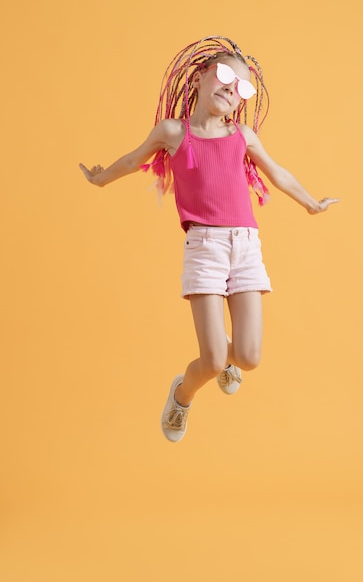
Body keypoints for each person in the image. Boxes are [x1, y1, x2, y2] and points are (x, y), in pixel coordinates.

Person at [80, 35, 339, 443]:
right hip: (204, 248)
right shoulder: (173, 131)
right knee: (214, 358)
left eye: (241, 88)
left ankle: (227, 361)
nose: (231, 89)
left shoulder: (243, 136)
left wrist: (311, 203)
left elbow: (277, 172)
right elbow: (134, 160)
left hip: (246, 246)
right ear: (200, 78)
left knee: (248, 357)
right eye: (223, 76)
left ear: (242, 101)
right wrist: (100, 178)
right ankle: (183, 394)